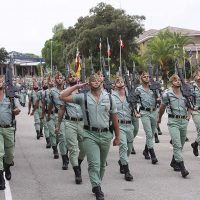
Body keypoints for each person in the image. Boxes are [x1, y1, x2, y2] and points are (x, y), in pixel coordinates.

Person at [60, 74, 120, 200]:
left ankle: (97, 182)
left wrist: (117, 136)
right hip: (89, 135)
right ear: (89, 83)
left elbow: (114, 118)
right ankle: (97, 188)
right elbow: (63, 96)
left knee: (102, 164)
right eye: (93, 80)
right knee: (94, 164)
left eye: (98, 80)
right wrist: (77, 85)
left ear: (102, 82)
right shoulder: (83, 97)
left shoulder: (109, 98)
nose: (96, 82)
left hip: (105, 135)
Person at [158, 74, 191, 178]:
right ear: (172, 82)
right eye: (175, 80)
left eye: (179, 80)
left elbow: (190, 106)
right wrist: (159, 118)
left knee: (180, 145)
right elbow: (162, 107)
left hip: (183, 121)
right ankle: (182, 168)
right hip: (173, 121)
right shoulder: (167, 94)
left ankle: (173, 161)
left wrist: (188, 116)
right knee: (177, 145)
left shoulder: (185, 93)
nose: (178, 82)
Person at [56, 70, 85, 184]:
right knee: (73, 149)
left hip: (83, 123)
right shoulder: (64, 93)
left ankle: (77, 163)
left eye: (74, 76)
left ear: (77, 78)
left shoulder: (84, 92)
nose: (72, 77)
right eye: (70, 76)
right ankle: (77, 172)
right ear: (67, 80)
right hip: (70, 123)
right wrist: (58, 124)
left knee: (84, 149)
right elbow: (62, 110)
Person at [0, 75, 21, 190]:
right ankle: (1, 178)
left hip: (9, 128)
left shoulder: (10, 96)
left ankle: (7, 167)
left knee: (10, 154)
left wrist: (16, 111)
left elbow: (17, 109)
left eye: (1, 80)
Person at [112, 76, 134, 181]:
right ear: (115, 85)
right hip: (119, 125)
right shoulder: (112, 96)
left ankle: (122, 161)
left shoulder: (130, 95)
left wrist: (136, 113)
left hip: (129, 124)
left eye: (122, 81)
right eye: (118, 82)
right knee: (123, 147)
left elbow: (134, 108)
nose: (120, 83)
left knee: (129, 148)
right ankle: (127, 171)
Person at [135, 71, 159, 164]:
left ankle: (145, 151)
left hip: (154, 111)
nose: (147, 78)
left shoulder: (154, 88)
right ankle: (153, 155)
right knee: (149, 133)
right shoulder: (138, 89)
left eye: (148, 76)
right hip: (144, 112)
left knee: (152, 133)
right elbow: (133, 101)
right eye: (144, 76)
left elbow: (158, 98)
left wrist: (158, 99)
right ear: (141, 78)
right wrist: (136, 112)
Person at [190, 70, 200, 156]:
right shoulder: (191, 88)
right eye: (198, 75)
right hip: (196, 111)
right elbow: (188, 100)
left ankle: (195, 144)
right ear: (195, 77)